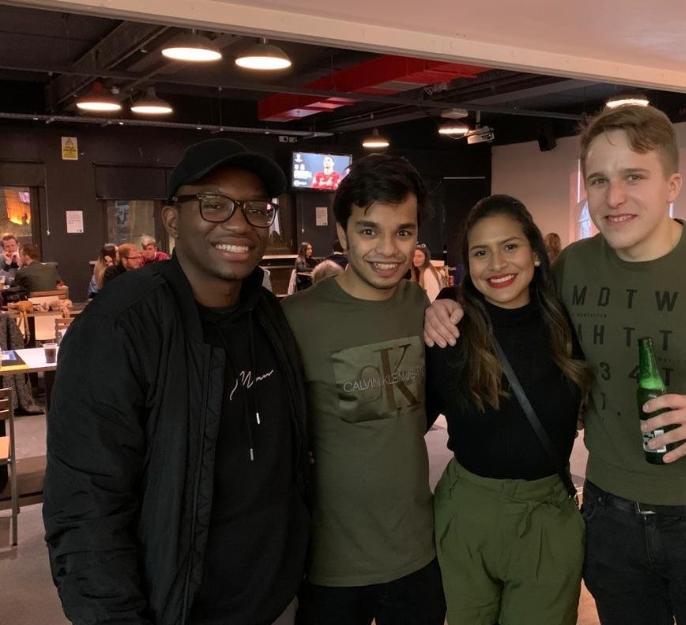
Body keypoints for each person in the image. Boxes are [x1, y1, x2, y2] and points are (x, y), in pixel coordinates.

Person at [423, 104, 686, 625]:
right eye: (599, 180)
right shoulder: (575, 266)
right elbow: (510, 304)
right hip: (608, 515)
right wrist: (446, 303)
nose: (614, 197)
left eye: (634, 176)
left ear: (673, 183)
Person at [43, 138, 310, 625]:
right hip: (181, 609)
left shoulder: (267, 315)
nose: (239, 223)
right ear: (172, 220)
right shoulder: (119, 328)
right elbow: (85, 509)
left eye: (256, 209)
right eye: (213, 204)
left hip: (281, 601)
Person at [282, 153, 445, 625]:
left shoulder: (418, 304)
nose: (388, 249)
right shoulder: (296, 318)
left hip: (416, 552)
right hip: (331, 564)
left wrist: (450, 306)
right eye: (369, 230)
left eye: (403, 232)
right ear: (341, 233)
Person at [427, 195, 591, 625]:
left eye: (510, 246)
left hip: (546, 515)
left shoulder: (569, 324)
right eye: (481, 252)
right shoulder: (449, 331)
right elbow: (410, 421)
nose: (496, 264)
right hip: (466, 512)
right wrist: (440, 301)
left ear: (535, 252)